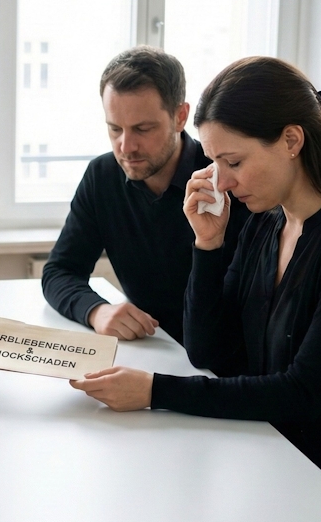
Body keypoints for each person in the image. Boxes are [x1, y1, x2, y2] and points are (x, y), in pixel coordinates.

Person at [70, 56, 321, 522]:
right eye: (215, 163)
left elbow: (302, 393)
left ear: (292, 141)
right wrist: (208, 245)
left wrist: (155, 390)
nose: (223, 182)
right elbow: (212, 353)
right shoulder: (266, 221)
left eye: (233, 162)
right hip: (277, 454)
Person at [42, 46, 249, 345]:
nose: (126, 146)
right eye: (115, 129)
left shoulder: (228, 178)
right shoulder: (102, 176)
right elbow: (59, 271)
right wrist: (97, 311)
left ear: (180, 117)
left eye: (143, 128)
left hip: (220, 357)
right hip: (147, 348)